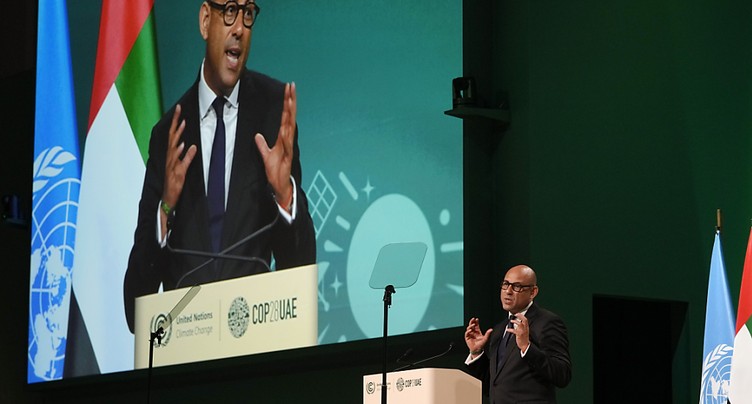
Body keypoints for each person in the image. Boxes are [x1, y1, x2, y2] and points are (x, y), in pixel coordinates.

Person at [123, 0, 316, 333]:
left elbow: (300, 273)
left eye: (248, 13)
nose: (239, 27)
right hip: (187, 345)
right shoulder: (167, 134)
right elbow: (135, 306)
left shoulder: (272, 115)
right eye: (229, 11)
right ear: (204, 20)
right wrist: (165, 208)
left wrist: (285, 195)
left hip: (254, 341)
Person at [464, 265, 571, 403]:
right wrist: (476, 353)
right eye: (505, 284)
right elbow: (496, 386)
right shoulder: (499, 330)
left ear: (533, 292)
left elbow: (562, 375)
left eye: (517, 286)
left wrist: (527, 347)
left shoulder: (546, 322)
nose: (508, 291)